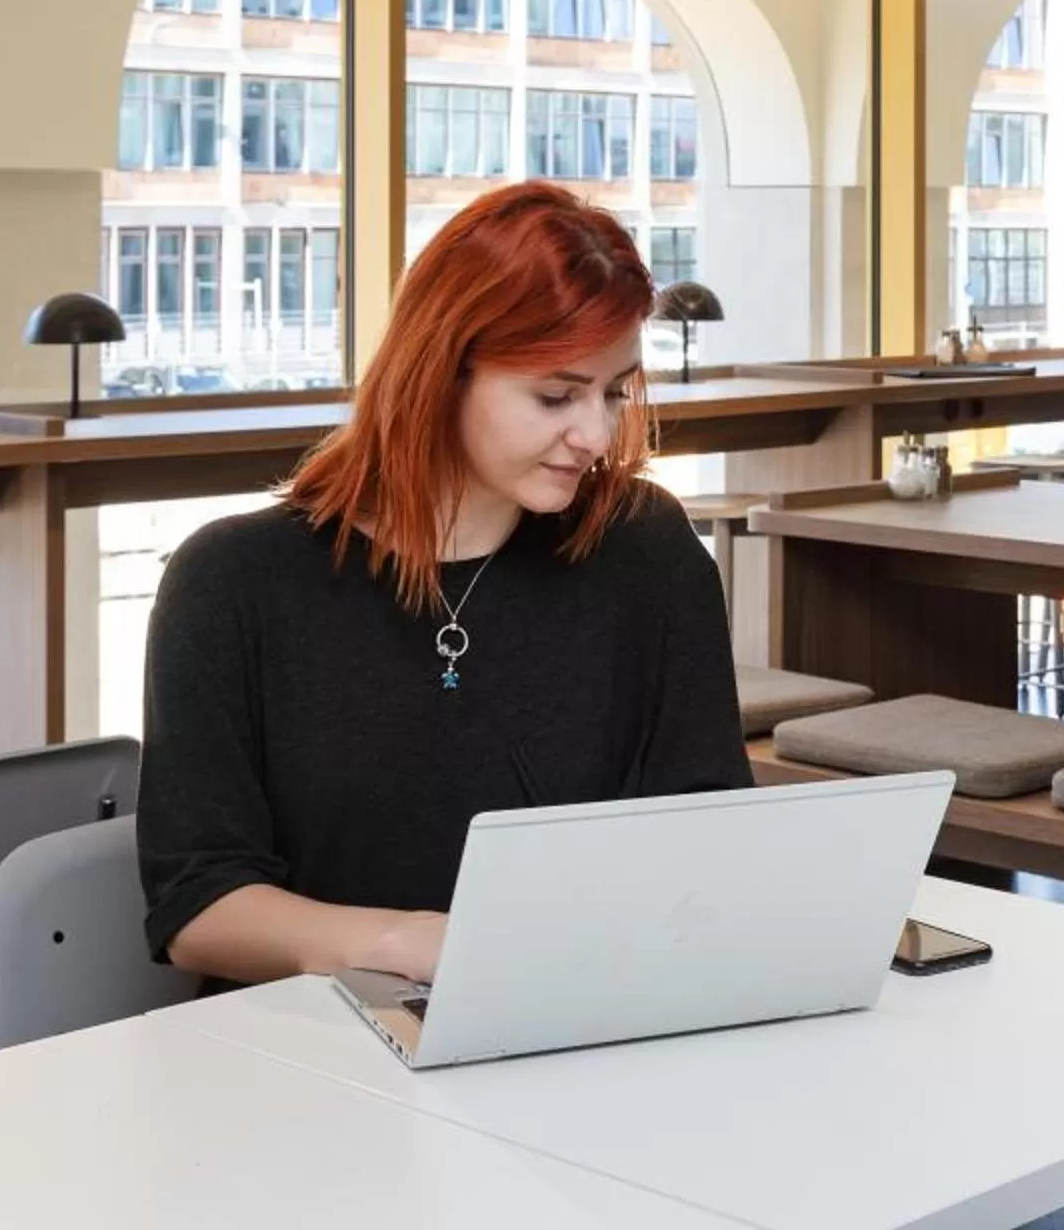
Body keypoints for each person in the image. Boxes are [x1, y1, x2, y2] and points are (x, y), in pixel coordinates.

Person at [137, 181, 750, 985]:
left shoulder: (646, 548)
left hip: (592, 1013)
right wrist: (407, 946)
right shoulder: (235, 583)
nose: (595, 435)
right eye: (556, 395)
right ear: (441, 373)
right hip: (320, 1045)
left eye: (614, 392)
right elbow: (198, 901)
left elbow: (707, 825)